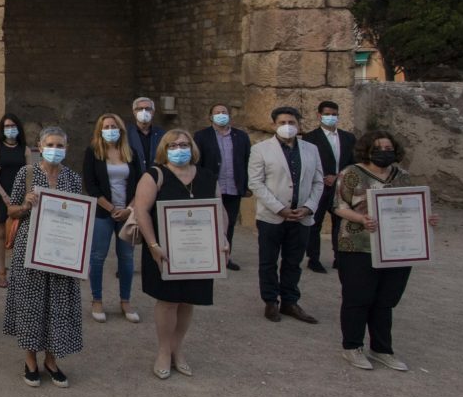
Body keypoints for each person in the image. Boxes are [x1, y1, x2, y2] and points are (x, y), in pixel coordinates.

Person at [332, 131, 438, 371]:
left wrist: (425, 219)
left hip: (397, 248)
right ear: (367, 150)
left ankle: (381, 349)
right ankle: (352, 347)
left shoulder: (403, 176)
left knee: (385, 301)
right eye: (378, 147)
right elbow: (338, 206)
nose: (384, 151)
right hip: (358, 246)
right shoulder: (351, 173)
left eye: (388, 147)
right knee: (358, 298)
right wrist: (361, 218)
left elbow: (413, 205)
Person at [132, 130, 226, 379]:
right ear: (164, 149)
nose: (179, 148)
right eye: (173, 145)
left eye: (184, 144)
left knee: (188, 300)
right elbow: (141, 211)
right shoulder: (155, 175)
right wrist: (152, 245)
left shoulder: (207, 176)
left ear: (192, 147)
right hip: (164, 251)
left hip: (199, 251)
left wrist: (223, 238)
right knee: (168, 300)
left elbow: (219, 211)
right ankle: (163, 351)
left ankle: (177, 349)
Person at [3, 126, 84, 388]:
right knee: (31, 304)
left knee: (58, 305)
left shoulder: (72, 178)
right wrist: (26, 204)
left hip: (62, 253)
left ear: (67, 149)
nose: (55, 149)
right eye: (50, 144)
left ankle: (51, 360)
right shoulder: (26, 174)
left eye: (60, 145)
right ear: (39, 145)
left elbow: (80, 216)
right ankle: (30, 361)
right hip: (30, 251)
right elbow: (12, 212)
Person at [248, 106, 325, 324]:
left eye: (292, 122)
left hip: (302, 216)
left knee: (293, 261)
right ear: (274, 125)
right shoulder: (261, 149)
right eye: (282, 123)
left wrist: (309, 207)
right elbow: (256, 182)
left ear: (299, 125)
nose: (287, 127)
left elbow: (318, 181)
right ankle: (271, 301)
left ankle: (290, 301)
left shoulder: (311, 149)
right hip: (272, 216)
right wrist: (279, 208)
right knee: (268, 261)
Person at [82, 112, 143, 323]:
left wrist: (128, 208)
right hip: (102, 212)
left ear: (121, 129)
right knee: (97, 256)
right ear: (100, 130)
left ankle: (125, 300)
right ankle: (97, 300)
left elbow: (140, 184)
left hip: (127, 212)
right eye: (106, 127)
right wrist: (111, 208)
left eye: (113, 126)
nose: (110, 130)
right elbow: (90, 184)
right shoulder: (93, 152)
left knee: (126, 258)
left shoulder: (130, 152)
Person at [194, 103, 251, 271]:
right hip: (212, 187)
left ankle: (226, 255)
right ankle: (206, 255)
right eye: (217, 112)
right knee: (208, 222)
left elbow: (247, 160)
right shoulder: (202, 136)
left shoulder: (240, 136)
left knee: (229, 223)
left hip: (233, 187)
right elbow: (197, 162)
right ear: (210, 116)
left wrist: (246, 184)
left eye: (224, 112)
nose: (221, 115)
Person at [302, 100, 356, 274]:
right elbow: (308, 163)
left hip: (341, 187)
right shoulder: (310, 138)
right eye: (327, 114)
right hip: (320, 186)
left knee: (340, 223)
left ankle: (339, 257)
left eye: (334, 114)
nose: (331, 117)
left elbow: (353, 163)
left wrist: (340, 176)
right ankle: (313, 258)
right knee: (314, 223)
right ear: (319, 115)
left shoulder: (348, 137)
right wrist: (323, 177)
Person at [0, 113, 30, 288]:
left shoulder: (25, 149)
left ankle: (21, 271)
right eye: (6, 126)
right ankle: (2, 271)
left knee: (21, 234)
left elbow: (29, 174)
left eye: (13, 126)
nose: (10, 129)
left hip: (20, 195)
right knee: (0, 233)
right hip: (1, 193)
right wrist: (4, 195)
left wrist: (28, 197)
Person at [127, 96, 166, 172]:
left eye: (148, 109)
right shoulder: (126, 134)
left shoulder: (162, 134)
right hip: (134, 178)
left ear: (153, 112)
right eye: (140, 109)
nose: (144, 112)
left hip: (155, 177)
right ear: (134, 112)